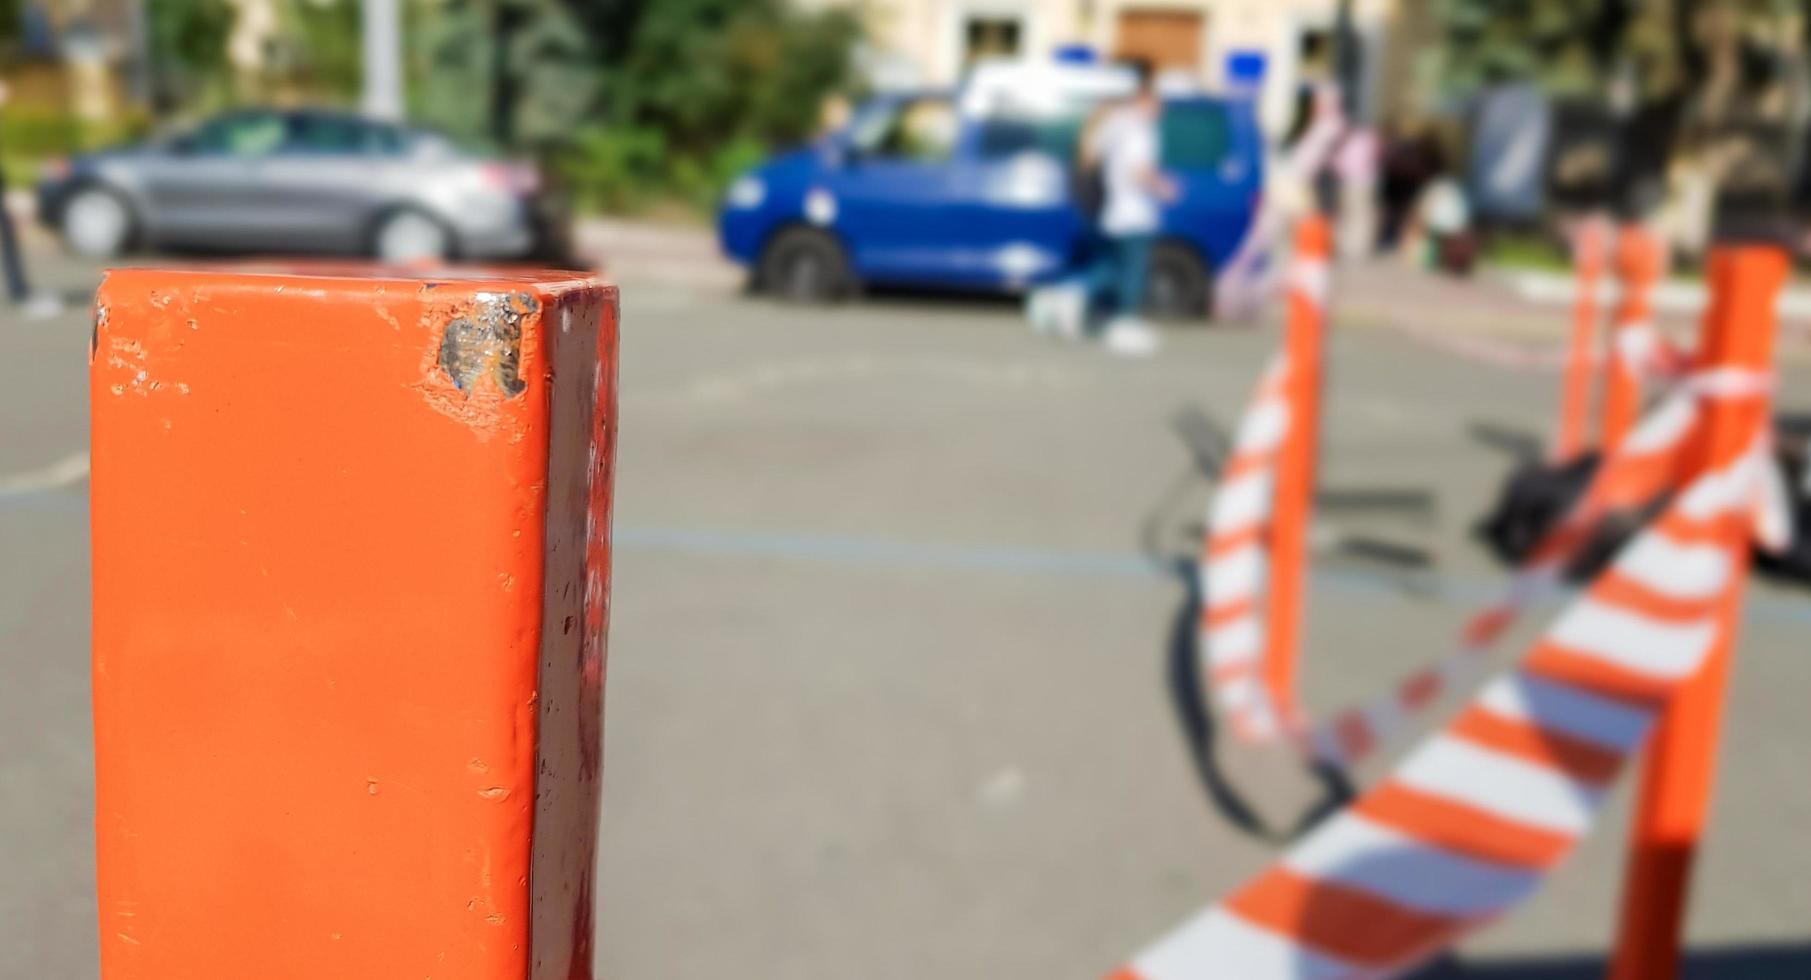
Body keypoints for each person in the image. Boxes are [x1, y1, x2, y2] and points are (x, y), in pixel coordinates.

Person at [1086, 59, 1176, 356]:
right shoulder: (1140, 129)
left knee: (1113, 268)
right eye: (1158, 102)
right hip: (1135, 213)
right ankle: (1126, 324)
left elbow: (1092, 154)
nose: (1162, 108)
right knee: (1133, 271)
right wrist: (1164, 188)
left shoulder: (1116, 122)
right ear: (1143, 99)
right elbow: (1139, 170)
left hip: (1115, 211)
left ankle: (1071, 300)